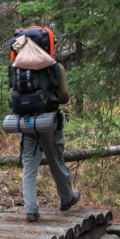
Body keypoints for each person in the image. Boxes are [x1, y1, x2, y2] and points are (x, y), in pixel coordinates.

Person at [16, 40, 80, 222]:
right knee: (56, 161)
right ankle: (66, 198)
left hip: (25, 122)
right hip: (48, 121)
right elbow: (65, 98)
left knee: (29, 165)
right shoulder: (55, 66)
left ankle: (30, 208)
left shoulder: (19, 65)